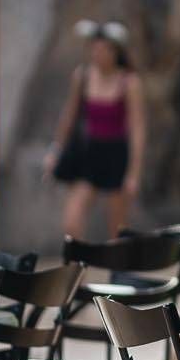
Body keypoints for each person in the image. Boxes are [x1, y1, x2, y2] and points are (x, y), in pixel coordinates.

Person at [47, 20, 146, 240]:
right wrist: (56, 150)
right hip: (88, 152)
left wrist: (133, 173)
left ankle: (116, 272)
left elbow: (138, 129)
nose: (97, 54)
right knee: (71, 221)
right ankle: (77, 270)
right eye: (94, 48)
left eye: (103, 49)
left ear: (115, 51)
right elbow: (69, 116)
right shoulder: (82, 76)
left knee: (117, 228)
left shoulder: (129, 82)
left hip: (115, 154)